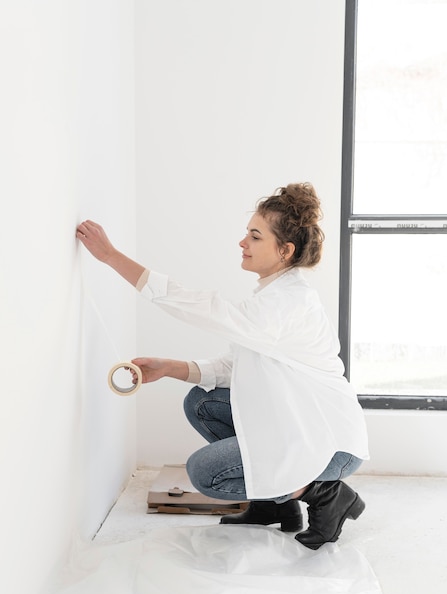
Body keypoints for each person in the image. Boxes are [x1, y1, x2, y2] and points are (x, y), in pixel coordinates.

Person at [76, 182, 369, 550]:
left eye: (255, 236)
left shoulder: (286, 305)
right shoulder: (274, 297)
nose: (242, 242)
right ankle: (275, 505)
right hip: (298, 427)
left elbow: (200, 307)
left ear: (284, 250)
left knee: (205, 473)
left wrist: (111, 257)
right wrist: (169, 367)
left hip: (329, 445)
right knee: (201, 402)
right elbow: (236, 368)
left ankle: (325, 494)